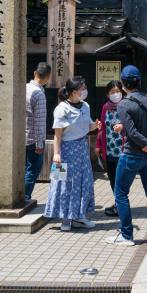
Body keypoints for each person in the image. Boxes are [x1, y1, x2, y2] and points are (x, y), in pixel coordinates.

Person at [106, 65, 147, 246]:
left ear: (123, 83)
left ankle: (126, 235)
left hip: (131, 155)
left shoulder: (124, 104)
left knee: (120, 193)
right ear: (139, 81)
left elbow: (132, 132)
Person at [45, 76, 100, 231]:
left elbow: (86, 127)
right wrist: (56, 153)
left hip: (82, 149)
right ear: (74, 92)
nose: (85, 91)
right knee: (62, 183)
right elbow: (58, 134)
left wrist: (95, 126)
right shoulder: (61, 109)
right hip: (65, 151)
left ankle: (79, 216)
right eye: (82, 88)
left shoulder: (86, 106)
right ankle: (65, 219)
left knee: (84, 182)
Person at [96, 80, 125, 217]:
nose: (115, 94)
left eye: (117, 91)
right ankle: (118, 204)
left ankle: (120, 205)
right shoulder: (105, 107)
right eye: (112, 92)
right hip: (109, 150)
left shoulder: (126, 106)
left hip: (124, 150)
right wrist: (98, 145)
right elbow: (101, 127)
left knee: (122, 179)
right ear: (108, 94)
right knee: (113, 178)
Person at [24, 63, 50, 201]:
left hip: (21, 136)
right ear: (47, 78)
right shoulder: (39, 94)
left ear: (35, 73)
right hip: (34, 139)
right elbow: (39, 121)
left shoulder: (25, 88)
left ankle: (21, 195)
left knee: (24, 169)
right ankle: (25, 195)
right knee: (33, 170)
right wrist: (40, 143)